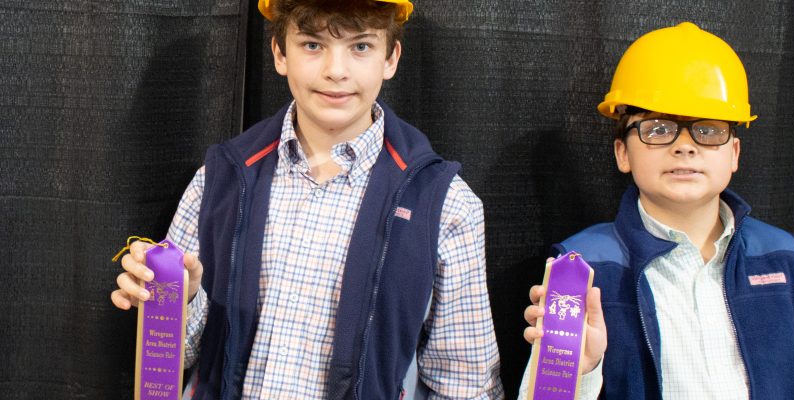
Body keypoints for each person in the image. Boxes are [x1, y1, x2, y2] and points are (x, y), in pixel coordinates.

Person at [110, 1, 503, 398]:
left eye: (361, 46)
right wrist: (180, 297)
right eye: (313, 45)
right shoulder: (218, 180)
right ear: (280, 53)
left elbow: (465, 385)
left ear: (391, 58)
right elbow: (171, 358)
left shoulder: (445, 205)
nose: (336, 70)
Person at [520, 22, 794, 399]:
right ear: (623, 153)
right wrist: (580, 373)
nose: (685, 146)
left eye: (708, 130)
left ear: (734, 153)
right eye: (658, 129)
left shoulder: (789, 260)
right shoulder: (579, 269)